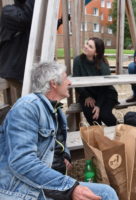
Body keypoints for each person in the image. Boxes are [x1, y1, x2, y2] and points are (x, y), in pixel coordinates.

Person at [0, 62, 119, 200]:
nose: (69, 82)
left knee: (106, 192)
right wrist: (70, 187)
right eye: (65, 78)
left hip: (46, 184)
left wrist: (65, 156)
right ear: (53, 83)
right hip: (23, 190)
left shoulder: (56, 110)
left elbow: (57, 141)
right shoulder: (27, 108)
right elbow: (22, 161)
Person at [73, 37, 118, 126]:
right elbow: (76, 82)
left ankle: (119, 129)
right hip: (87, 94)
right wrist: (87, 96)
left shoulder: (102, 65)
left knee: (104, 114)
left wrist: (98, 105)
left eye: (90, 46)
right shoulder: (78, 60)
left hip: (105, 94)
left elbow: (105, 87)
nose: (86, 47)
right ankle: (98, 135)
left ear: (96, 52)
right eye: (87, 44)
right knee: (92, 117)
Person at [0, 0, 35, 98]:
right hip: (14, 69)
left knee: (36, 97)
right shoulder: (8, 12)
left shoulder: (27, 12)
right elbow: (25, 19)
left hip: (23, 67)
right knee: (34, 97)